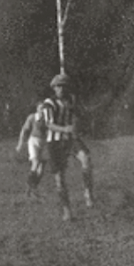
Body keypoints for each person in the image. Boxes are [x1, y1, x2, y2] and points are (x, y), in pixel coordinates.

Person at [41, 73, 95, 221]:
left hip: (71, 139)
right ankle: (66, 210)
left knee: (86, 159)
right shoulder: (49, 103)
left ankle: (88, 192)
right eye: (58, 86)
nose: (61, 89)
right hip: (55, 142)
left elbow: (76, 115)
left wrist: (77, 125)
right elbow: (48, 124)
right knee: (59, 178)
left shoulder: (71, 100)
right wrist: (65, 129)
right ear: (54, 88)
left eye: (64, 86)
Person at [16, 101, 48, 200]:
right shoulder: (32, 117)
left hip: (44, 142)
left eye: (44, 108)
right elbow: (24, 130)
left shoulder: (48, 119)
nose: (43, 110)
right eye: (41, 108)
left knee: (41, 169)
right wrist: (20, 144)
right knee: (35, 162)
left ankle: (32, 189)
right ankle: (28, 190)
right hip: (33, 141)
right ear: (37, 109)